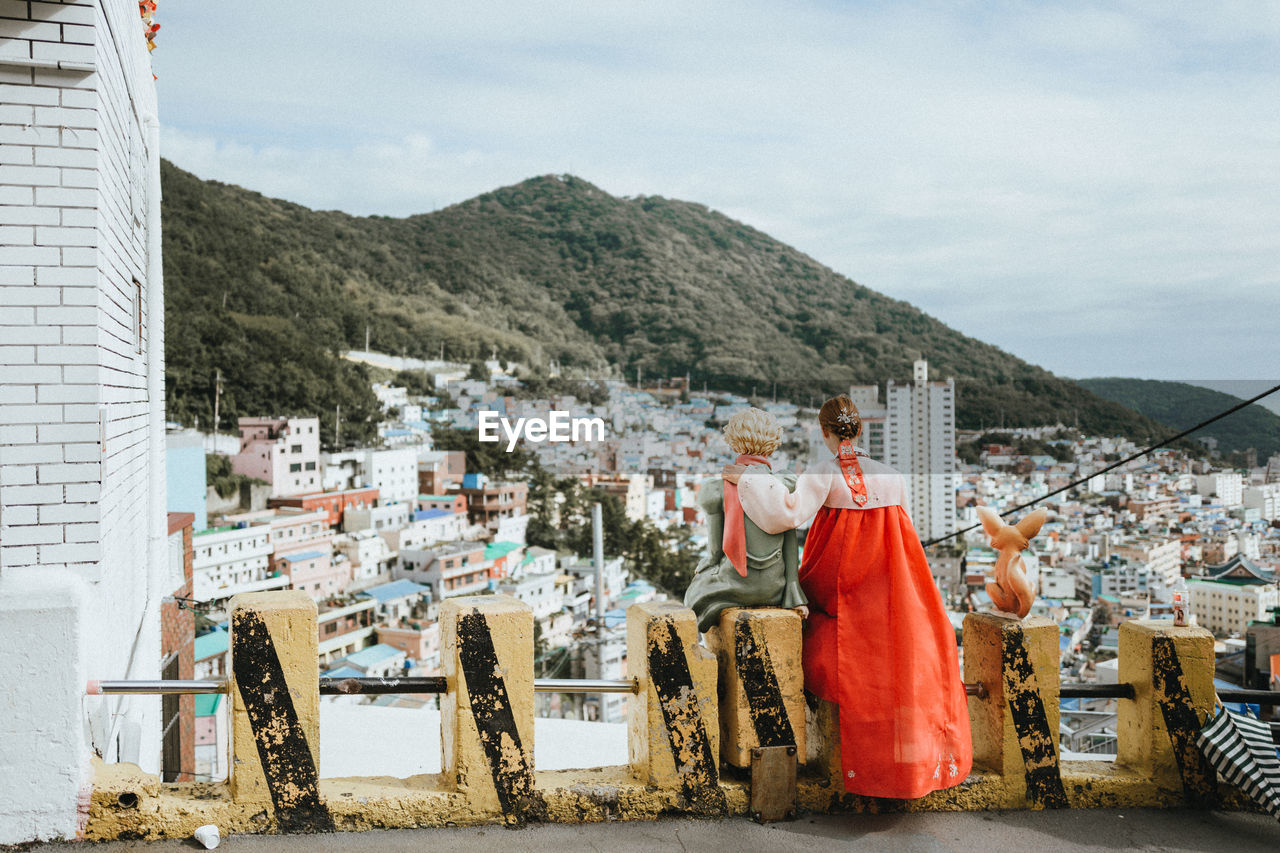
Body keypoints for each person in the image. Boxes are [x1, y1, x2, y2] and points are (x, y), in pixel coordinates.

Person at [725, 395, 971, 799]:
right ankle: (914, 770)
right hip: (891, 586)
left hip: (844, 584)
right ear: (860, 430)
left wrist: (745, 479)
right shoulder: (892, 476)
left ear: (824, 432)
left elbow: (783, 515)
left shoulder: (821, 473)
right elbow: (903, 530)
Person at [684, 408, 808, 634]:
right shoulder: (785, 485)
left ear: (732, 441)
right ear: (773, 441)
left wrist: (707, 566)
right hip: (776, 588)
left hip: (735, 584)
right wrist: (793, 589)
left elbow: (715, 553)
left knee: (694, 593)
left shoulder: (716, 489)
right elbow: (791, 546)